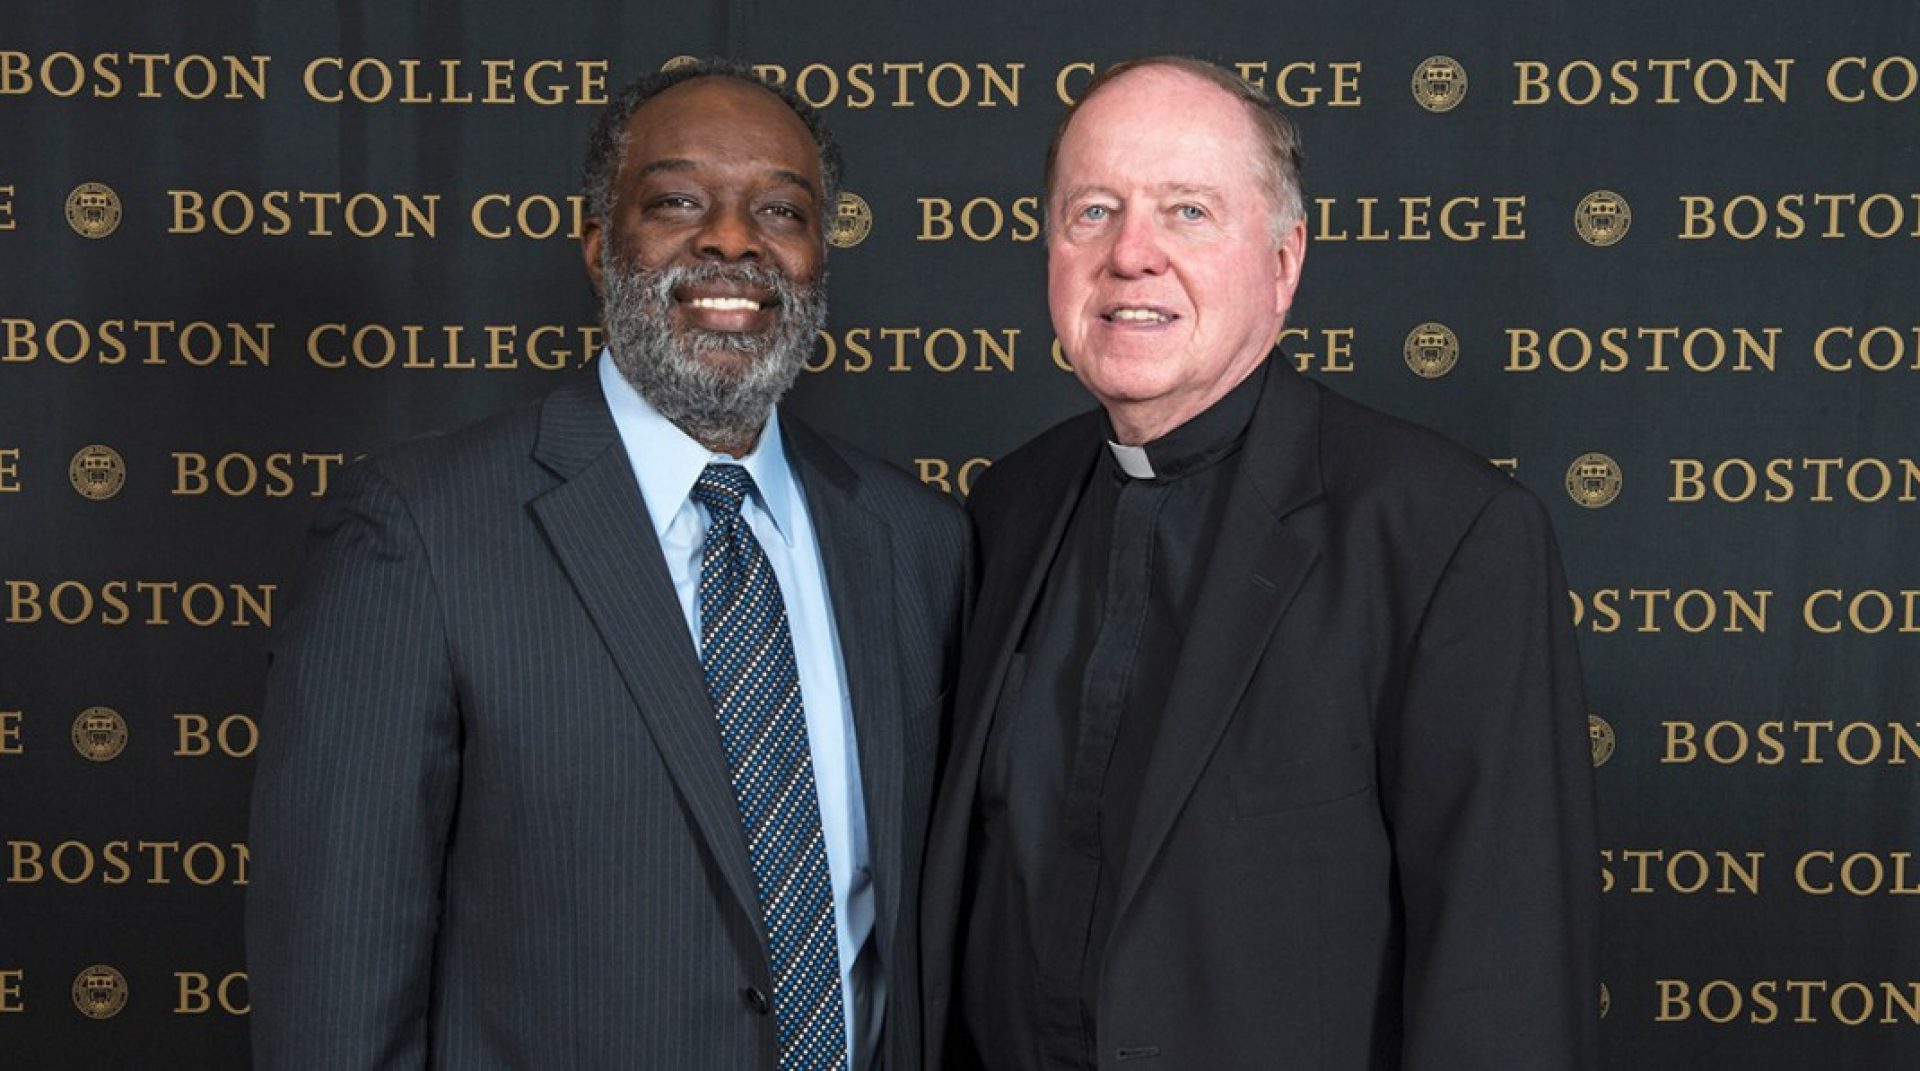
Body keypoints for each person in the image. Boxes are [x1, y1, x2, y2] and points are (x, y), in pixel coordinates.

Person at [248, 59, 969, 1071]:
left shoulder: (915, 540)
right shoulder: (416, 535)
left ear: (818, 260)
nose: (731, 240)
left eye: (781, 210)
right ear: (599, 247)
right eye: (677, 202)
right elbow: (335, 994)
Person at [921, 56, 1599, 1069]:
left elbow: (1503, 985)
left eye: (1187, 212)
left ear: (1284, 263)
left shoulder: (1444, 533)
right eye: (1092, 211)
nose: (1130, 254)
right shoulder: (1006, 505)